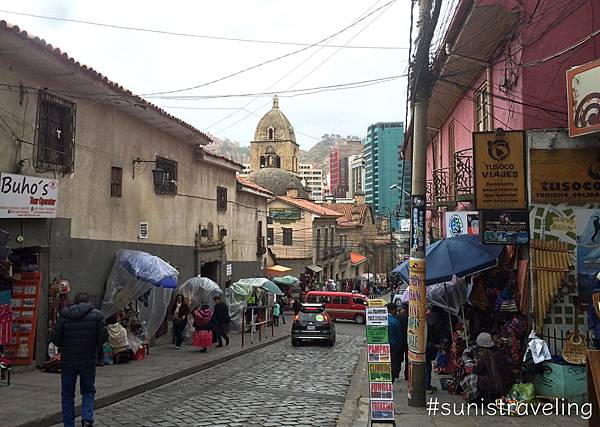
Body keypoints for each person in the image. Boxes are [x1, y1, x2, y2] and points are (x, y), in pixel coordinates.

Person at [51, 292, 108, 427]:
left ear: (74, 302)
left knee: (67, 395)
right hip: (88, 360)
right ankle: (87, 418)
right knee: (88, 390)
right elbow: (103, 338)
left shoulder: (64, 315)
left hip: (68, 362)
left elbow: (56, 340)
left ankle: (69, 424)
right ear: (88, 302)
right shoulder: (97, 315)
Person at [472, 332, 512, 401]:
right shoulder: (499, 352)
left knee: (472, 378)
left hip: (496, 383)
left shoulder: (486, 355)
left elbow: (477, 370)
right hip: (506, 382)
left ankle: (474, 398)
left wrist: (476, 363)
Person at [425, 306, 452, 392]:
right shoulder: (433, 322)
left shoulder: (431, 320)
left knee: (427, 366)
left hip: (430, 348)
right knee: (426, 367)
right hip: (428, 349)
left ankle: (427, 384)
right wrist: (436, 346)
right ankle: (426, 385)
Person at [386, 303, 403, 384]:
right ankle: (390, 380)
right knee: (393, 364)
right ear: (392, 310)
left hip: (383, 345)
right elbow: (399, 336)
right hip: (394, 346)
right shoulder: (395, 321)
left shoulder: (382, 319)